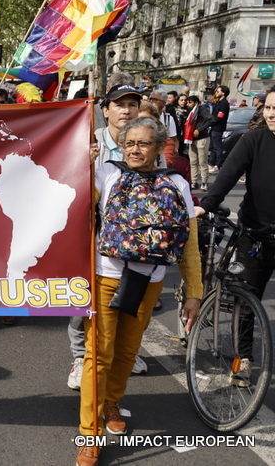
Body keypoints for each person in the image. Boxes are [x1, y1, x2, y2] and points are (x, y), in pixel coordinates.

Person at [76, 117, 202, 466]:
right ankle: (89, 435)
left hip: (151, 281)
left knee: (128, 352)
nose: (134, 149)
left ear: (160, 148)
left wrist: (194, 291)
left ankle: (111, 401)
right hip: (106, 277)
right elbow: (77, 202)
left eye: (144, 143)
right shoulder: (107, 174)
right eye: (129, 143)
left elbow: (189, 243)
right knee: (97, 355)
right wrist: (81, 165)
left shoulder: (177, 183)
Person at [68, 77, 148, 391]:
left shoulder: (147, 140)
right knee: (83, 296)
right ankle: (79, 356)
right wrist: (81, 162)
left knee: (131, 295)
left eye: (132, 104)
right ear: (106, 109)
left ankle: (125, 351)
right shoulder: (89, 139)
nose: (126, 110)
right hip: (90, 232)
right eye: (119, 104)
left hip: (133, 239)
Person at [195, 87, 275, 386]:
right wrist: (206, 206)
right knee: (246, 301)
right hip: (256, 236)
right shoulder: (253, 140)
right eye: (268, 107)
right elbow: (227, 177)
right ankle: (243, 362)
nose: (272, 113)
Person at [183, 95, 215, 191]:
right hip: (191, 139)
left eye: (190, 102)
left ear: (196, 103)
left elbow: (211, 120)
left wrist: (199, 129)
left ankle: (204, 182)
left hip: (202, 138)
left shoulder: (201, 109)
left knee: (202, 162)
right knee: (193, 162)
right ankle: (194, 182)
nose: (188, 104)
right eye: (187, 102)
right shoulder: (190, 111)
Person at [209, 85, 230, 172]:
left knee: (217, 148)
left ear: (223, 93)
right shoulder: (219, 102)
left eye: (218, 91)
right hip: (214, 128)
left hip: (218, 128)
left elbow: (220, 117)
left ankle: (218, 165)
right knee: (213, 147)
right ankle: (211, 164)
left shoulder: (224, 103)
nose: (216, 93)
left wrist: (210, 122)